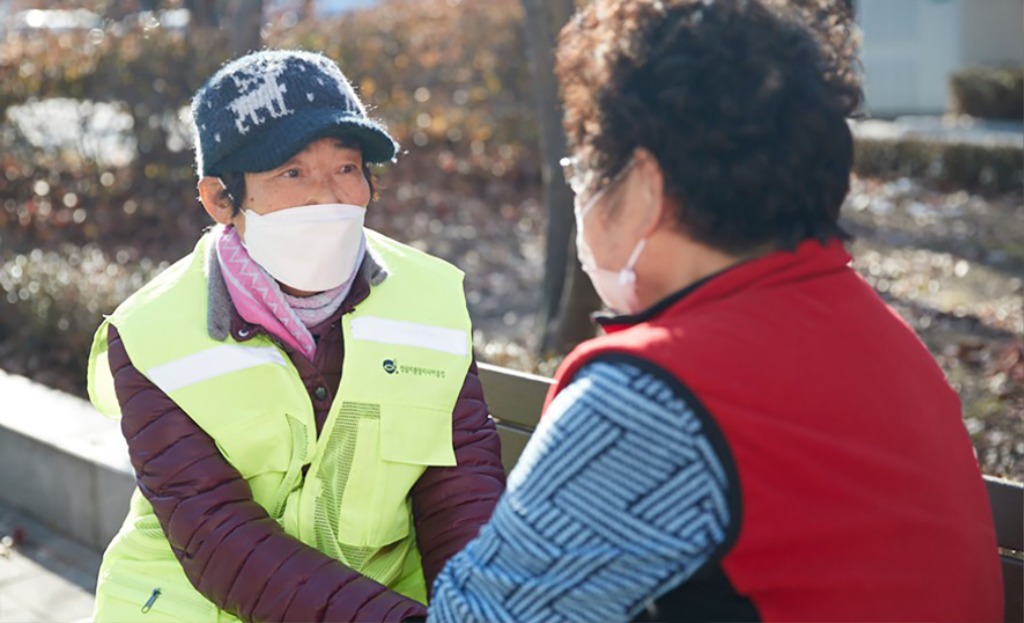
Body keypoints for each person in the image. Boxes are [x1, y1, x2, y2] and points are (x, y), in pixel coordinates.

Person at [427, 1, 1003, 621]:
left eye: (588, 163)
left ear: (644, 184)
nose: (580, 184)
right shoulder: (887, 342)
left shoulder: (649, 400)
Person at [86, 49, 505, 622]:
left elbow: (459, 484)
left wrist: (475, 609)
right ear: (220, 200)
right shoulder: (152, 335)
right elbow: (219, 538)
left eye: (346, 168)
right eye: (291, 172)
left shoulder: (427, 298)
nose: (329, 197)